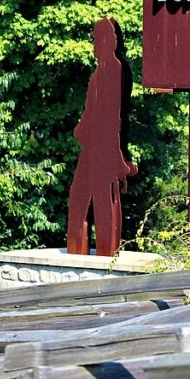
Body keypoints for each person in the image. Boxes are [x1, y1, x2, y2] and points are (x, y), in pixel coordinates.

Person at [66, 18, 137, 256]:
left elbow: (110, 114)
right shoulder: (104, 70)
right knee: (85, 198)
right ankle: (82, 248)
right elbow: (94, 111)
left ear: (112, 41)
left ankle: (106, 251)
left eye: (98, 39)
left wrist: (117, 154)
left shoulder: (113, 69)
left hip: (103, 147)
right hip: (95, 146)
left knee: (100, 200)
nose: (94, 45)